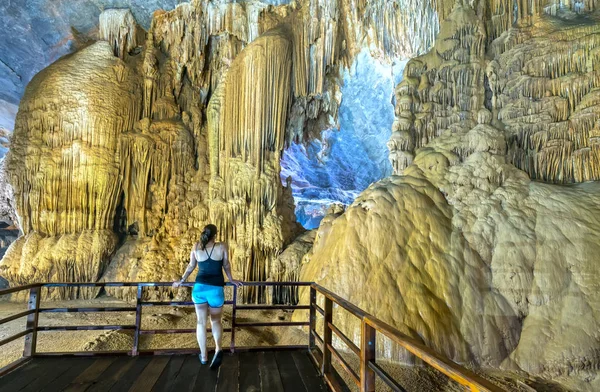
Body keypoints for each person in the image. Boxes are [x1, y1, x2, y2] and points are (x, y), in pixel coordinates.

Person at [173, 224, 242, 369]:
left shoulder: (196, 246)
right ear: (215, 235)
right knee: (216, 321)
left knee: (201, 323)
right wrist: (231, 280)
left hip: (199, 289)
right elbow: (226, 265)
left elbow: (191, 266)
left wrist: (182, 280)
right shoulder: (221, 246)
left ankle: (203, 356)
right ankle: (218, 349)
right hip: (216, 290)